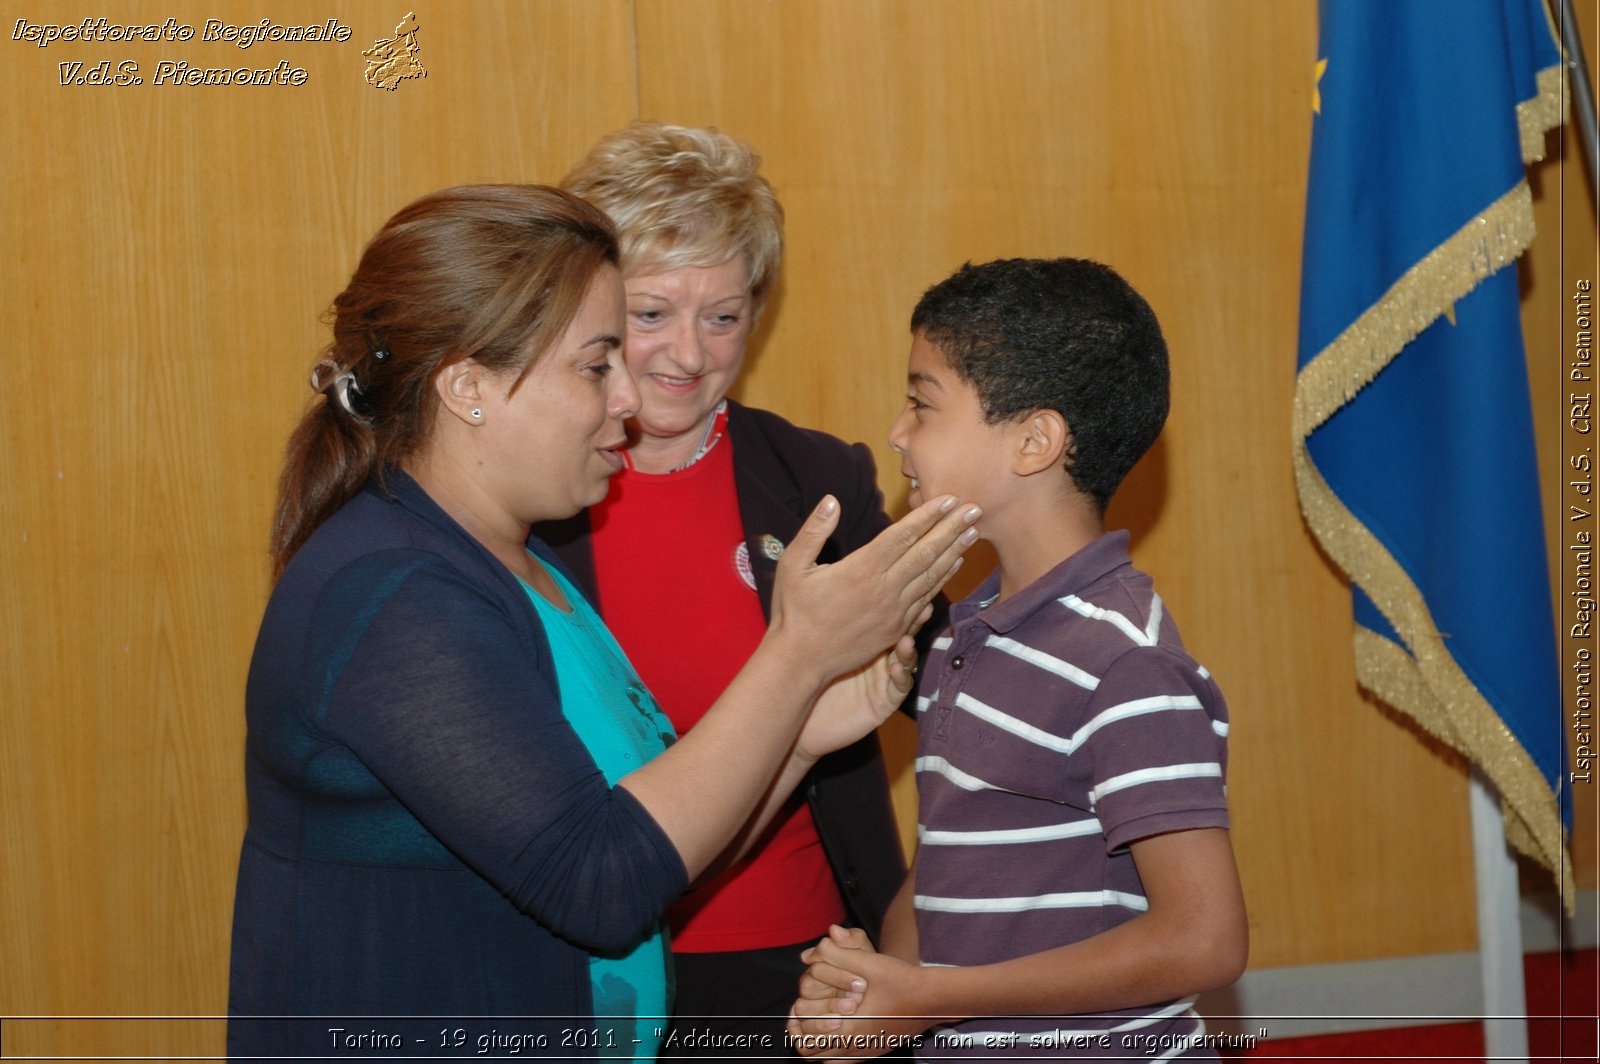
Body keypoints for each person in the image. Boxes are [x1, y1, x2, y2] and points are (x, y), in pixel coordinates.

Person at [226, 184, 980, 1061]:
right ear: (468, 386)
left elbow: (651, 849)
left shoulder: (520, 564)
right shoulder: (394, 592)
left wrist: (806, 733)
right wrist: (798, 652)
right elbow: (599, 883)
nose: (629, 395)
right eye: (596, 363)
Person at [533, 123, 936, 1052]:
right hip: (600, 958)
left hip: (808, 961)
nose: (688, 353)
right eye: (651, 314)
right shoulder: (528, 496)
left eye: (722, 316)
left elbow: (935, 677)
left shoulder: (814, 478)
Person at [787, 259, 1248, 1060]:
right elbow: (946, 869)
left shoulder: (1124, 665)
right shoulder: (969, 634)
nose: (897, 431)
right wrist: (877, 988)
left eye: (922, 402)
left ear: (1034, 441)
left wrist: (932, 998)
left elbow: (1205, 941)